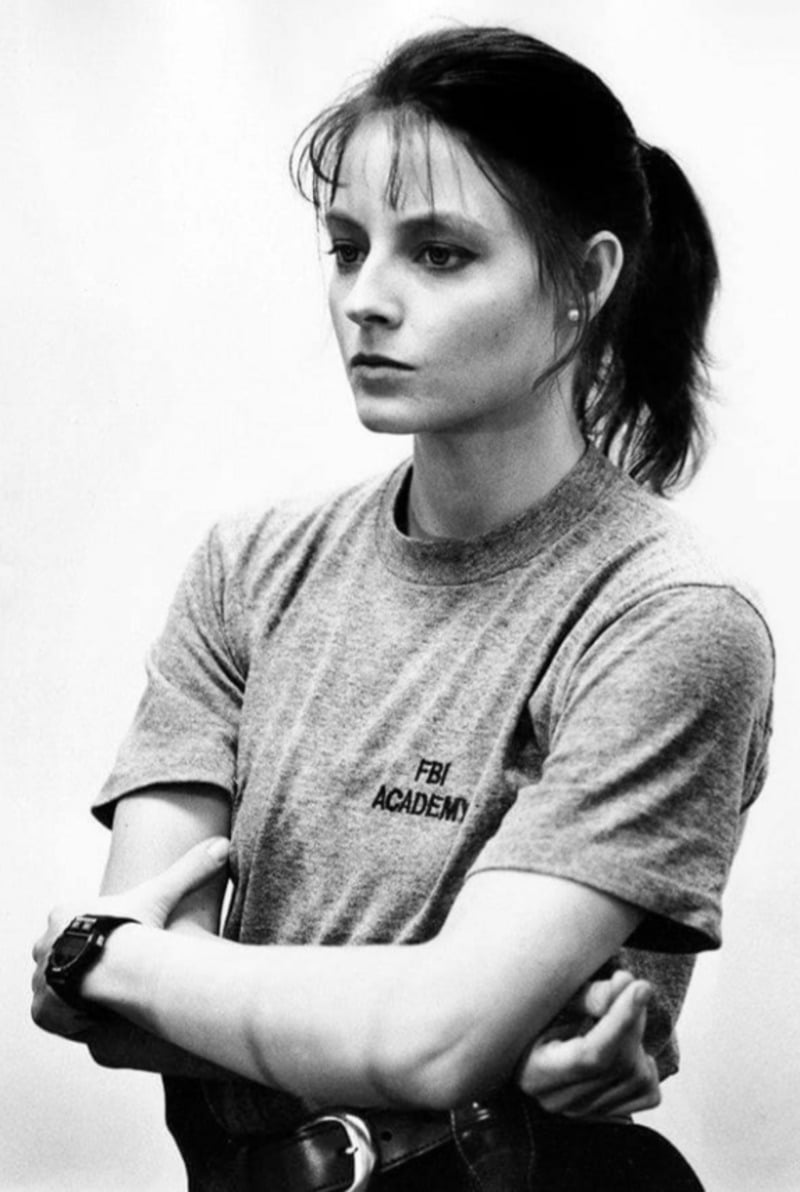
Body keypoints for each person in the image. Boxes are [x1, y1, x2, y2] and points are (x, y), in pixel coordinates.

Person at [31, 24, 773, 1192]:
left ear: (584, 281)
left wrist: (97, 952)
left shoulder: (667, 617)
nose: (362, 300)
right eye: (343, 246)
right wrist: (445, 1014)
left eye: (436, 253)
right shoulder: (249, 568)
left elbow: (422, 1038)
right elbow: (119, 1020)